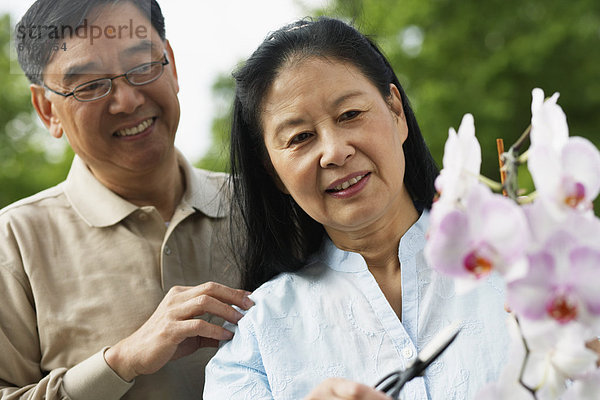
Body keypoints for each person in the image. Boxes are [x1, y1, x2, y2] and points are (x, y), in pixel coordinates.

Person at [204, 17, 511, 399]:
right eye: (300, 137)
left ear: (396, 112)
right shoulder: (253, 342)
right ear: (274, 172)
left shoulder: (522, 253)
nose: (334, 151)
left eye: (350, 114)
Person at [0, 0, 252, 398]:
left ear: (171, 62)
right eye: (89, 86)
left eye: (142, 67)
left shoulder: (264, 204)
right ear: (47, 109)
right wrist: (120, 361)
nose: (128, 101)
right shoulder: (13, 244)